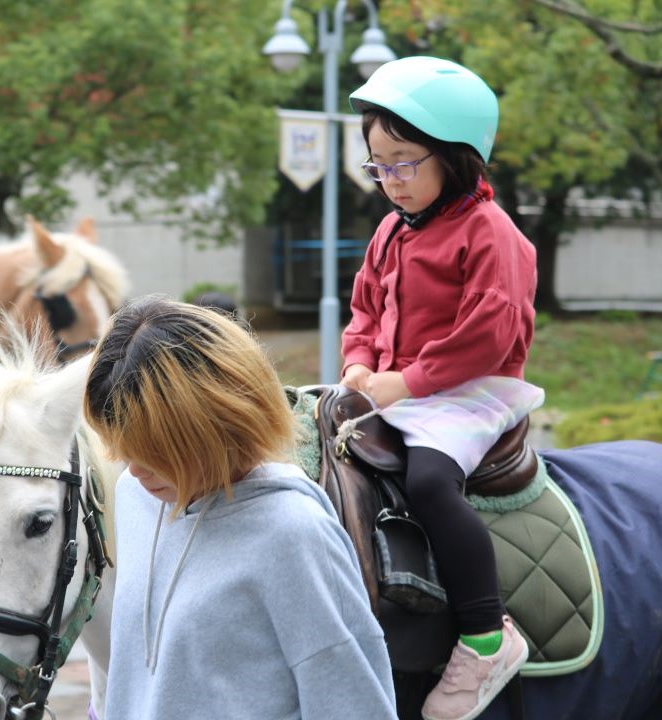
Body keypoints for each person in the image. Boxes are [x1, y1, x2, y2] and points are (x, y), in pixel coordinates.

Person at [83, 295, 398, 720]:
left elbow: (356, 706)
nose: (133, 468)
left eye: (152, 450)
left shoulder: (294, 533)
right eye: (121, 447)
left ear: (212, 426)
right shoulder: (134, 496)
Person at [341, 56, 543, 720]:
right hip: (403, 389)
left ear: (454, 156)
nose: (389, 181)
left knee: (427, 480)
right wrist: (358, 364)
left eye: (403, 162)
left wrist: (408, 379)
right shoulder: (390, 231)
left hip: (470, 391)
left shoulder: (493, 234)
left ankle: (486, 634)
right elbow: (365, 312)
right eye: (378, 165)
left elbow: (489, 334)